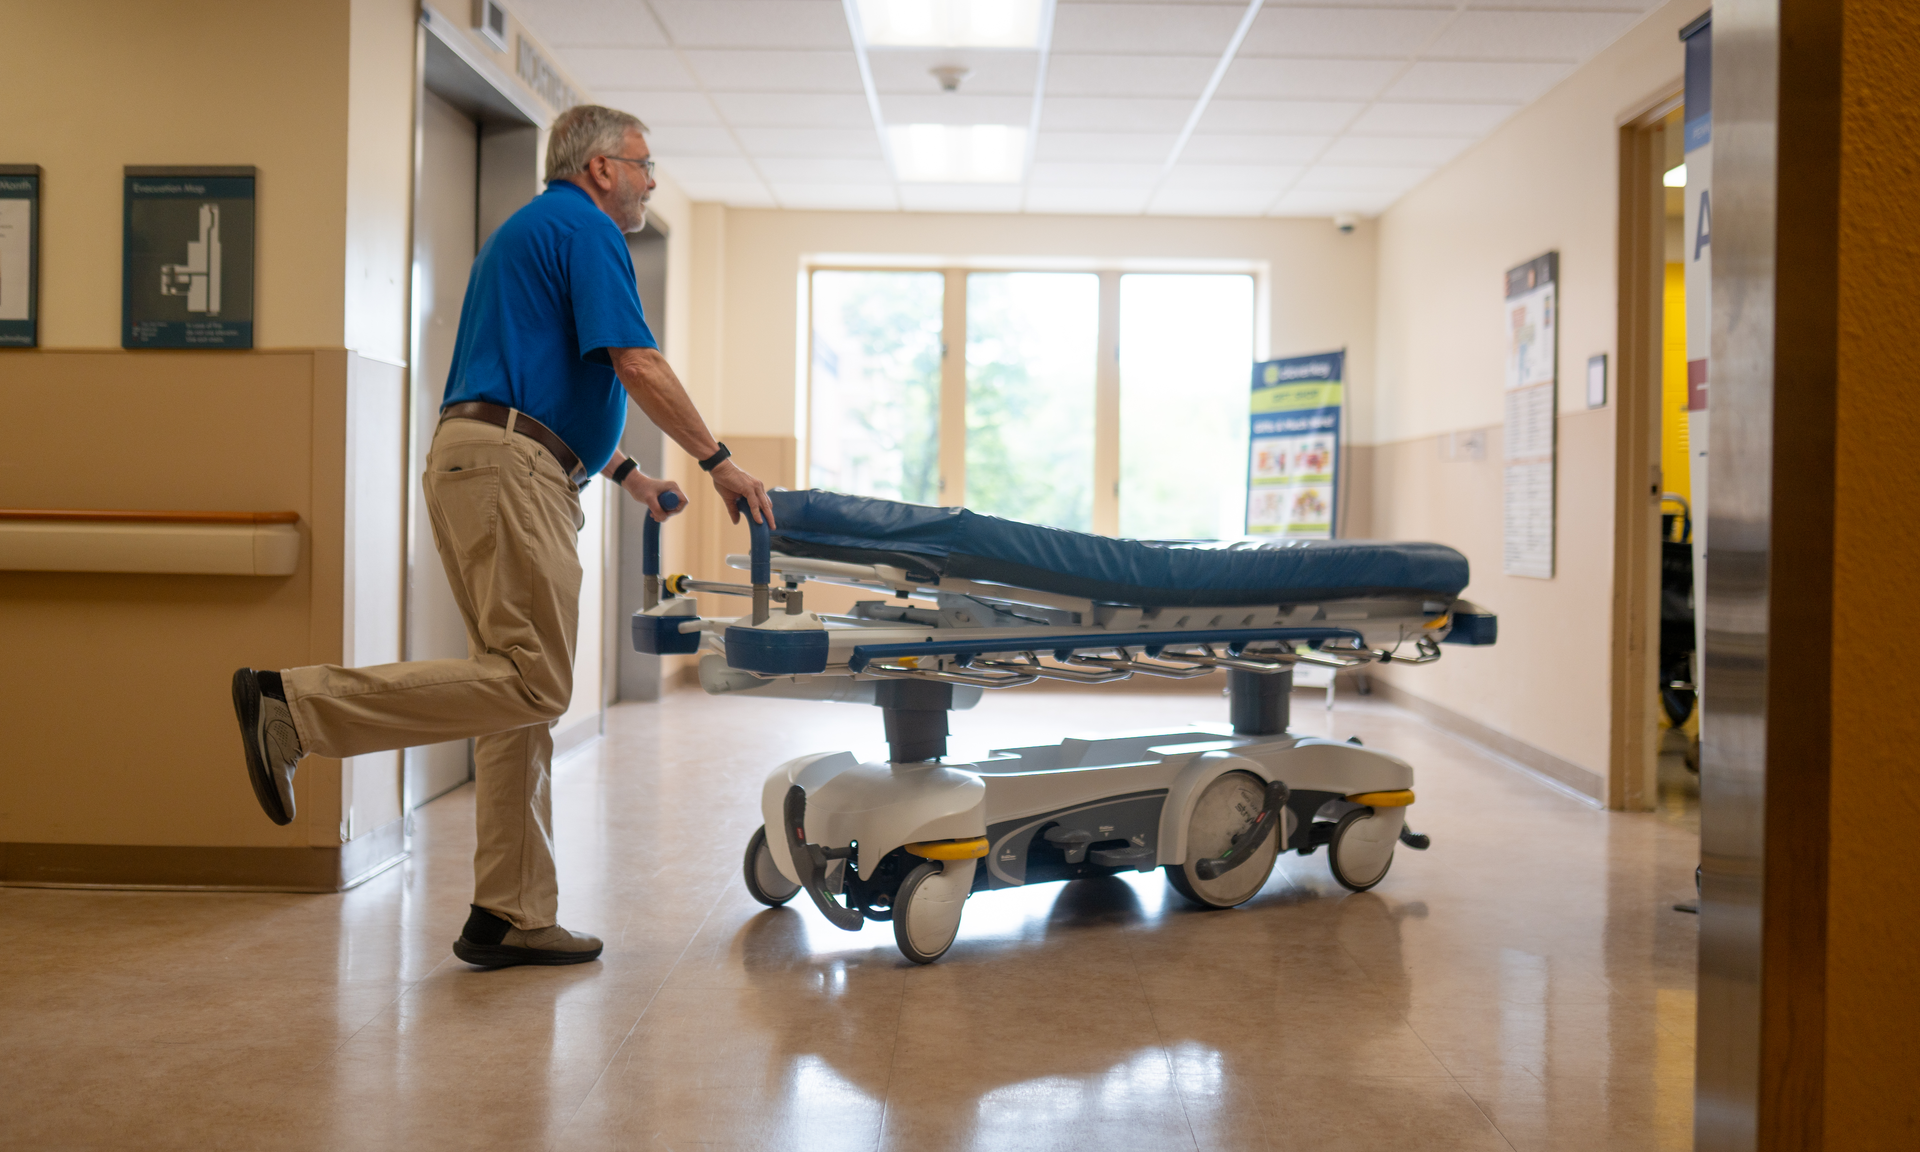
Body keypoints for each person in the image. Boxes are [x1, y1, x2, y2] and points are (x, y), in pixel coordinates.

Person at [229, 105, 774, 969]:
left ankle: (510, 911)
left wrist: (629, 473)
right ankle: (296, 707)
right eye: (641, 163)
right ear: (599, 169)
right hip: (509, 472)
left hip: (490, 461)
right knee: (533, 683)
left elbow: (549, 374)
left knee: (509, 688)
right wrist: (720, 462)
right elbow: (636, 361)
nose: (650, 179)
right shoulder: (588, 231)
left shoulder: (536, 231)